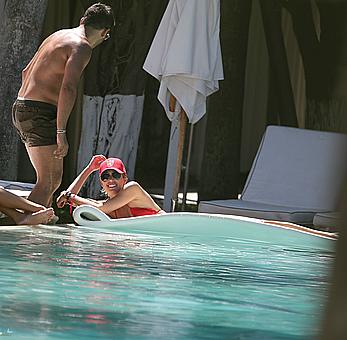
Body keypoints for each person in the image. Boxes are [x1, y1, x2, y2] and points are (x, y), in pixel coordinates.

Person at [12, 3, 115, 207]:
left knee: (49, 181)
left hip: (21, 107)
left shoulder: (57, 36)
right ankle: (21, 229)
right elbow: (68, 88)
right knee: (49, 182)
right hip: (40, 111)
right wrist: (61, 132)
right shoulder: (82, 46)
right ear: (105, 33)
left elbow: (25, 71)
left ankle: (37, 227)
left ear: (82, 21)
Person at [56, 155, 164, 218]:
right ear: (101, 182)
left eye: (116, 175)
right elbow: (64, 200)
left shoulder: (133, 189)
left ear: (124, 178)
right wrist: (89, 169)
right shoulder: (103, 204)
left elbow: (101, 208)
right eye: (105, 176)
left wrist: (69, 196)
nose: (110, 180)